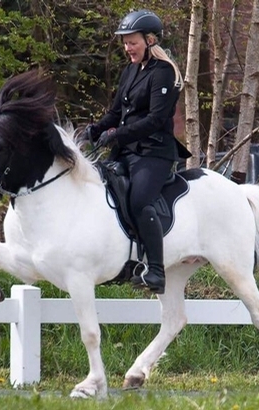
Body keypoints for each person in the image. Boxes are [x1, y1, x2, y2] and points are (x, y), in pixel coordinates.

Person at [85, 9, 191, 295]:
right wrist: (95, 129)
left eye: (132, 42)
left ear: (150, 39)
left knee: (139, 200)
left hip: (154, 151)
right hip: (125, 149)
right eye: (125, 42)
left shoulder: (164, 72)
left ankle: (156, 270)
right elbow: (117, 111)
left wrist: (116, 134)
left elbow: (156, 120)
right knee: (102, 192)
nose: (127, 48)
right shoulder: (130, 71)